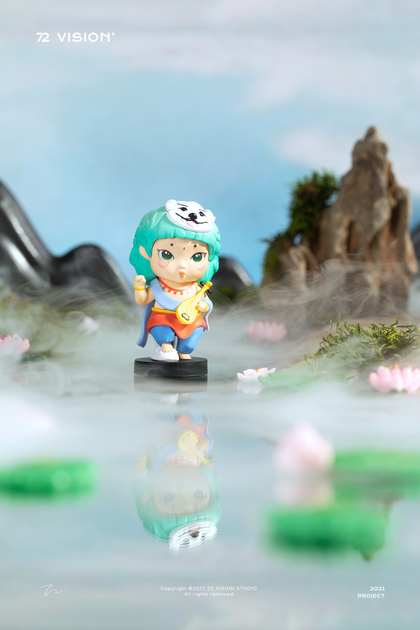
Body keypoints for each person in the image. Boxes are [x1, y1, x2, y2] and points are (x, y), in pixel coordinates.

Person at [129, 200, 221, 361]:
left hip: (190, 320)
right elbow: (143, 300)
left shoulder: (197, 288)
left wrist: (205, 305)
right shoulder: (158, 286)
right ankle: (165, 346)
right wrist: (139, 287)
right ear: (146, 252)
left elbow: (207, 302)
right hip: (163, 318)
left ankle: (184, 351)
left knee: (193, 335)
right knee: (161, 330)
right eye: (167, 255)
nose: (182, 266)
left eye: (197, 257)